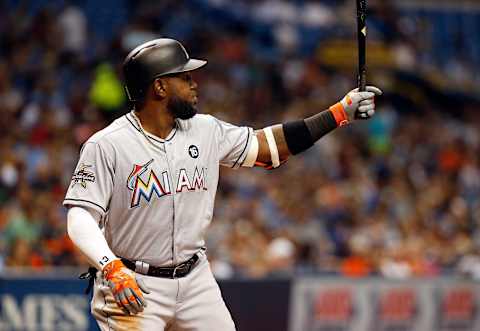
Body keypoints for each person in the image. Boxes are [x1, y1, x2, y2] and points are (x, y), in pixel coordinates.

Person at [64, 38, 381, 331]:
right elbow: (80, 216)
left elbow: (269, 147)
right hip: (133, 282)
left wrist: (339, 113)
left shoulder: (205, 130)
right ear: (159, 87)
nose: (194, 83)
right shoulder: (107, 145)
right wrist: (109, 267)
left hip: (194, 279)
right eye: (184, 78)